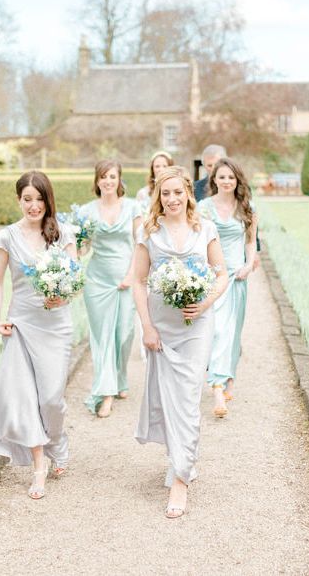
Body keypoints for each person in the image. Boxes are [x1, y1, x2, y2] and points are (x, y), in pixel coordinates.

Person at [133, 166, 228, 518]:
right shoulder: (149, 231)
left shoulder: (205, 229)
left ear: (189, 193)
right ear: (158, 196)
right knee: (167, 396)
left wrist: (204, 302)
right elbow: (140, 281)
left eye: (178, 192)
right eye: (165, 193)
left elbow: (221, 275)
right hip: (161, 325)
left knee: (188, 396)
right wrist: (147, 327)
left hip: (197, 324)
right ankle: (178, 459)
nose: (172, 199)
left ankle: (181, 480)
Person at [0, 171, 77, 500]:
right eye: (27, 199)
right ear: (19, 200)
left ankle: (57, 441)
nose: (33, 206)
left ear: (49, 200)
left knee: (51, 399)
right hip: (21, 324)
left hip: (55, 326)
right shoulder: (6, 237)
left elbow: (75, 282)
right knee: (25, 398)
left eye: (39, 199)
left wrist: (63, 295)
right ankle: (39, 468)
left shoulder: (63, 235)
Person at [81, 160, 143, 417]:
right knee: (103, 337)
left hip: (126, 279)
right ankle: (105, 392)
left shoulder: (133, 207)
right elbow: (83, 248)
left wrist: (131, 275)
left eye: (112, 176)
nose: (108, 181)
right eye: (103, 177)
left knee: (124, 334)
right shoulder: (86, 211)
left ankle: (120, 378)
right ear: (97, 181)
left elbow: (141, 245)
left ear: (119, 180)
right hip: (97, 281)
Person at [197, 158, 257, 418]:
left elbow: (251, 241)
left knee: (233, 332)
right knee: (219, 330)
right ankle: (218, 389)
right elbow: (197, 242)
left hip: (238, 277)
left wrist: (249, 264)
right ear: (214, 180)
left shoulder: (246, 208)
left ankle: (227, 375)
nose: (226, 181)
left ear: (237, 181)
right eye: (221, 177)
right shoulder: (203, 208)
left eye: (231, 177)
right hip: (214, 277)